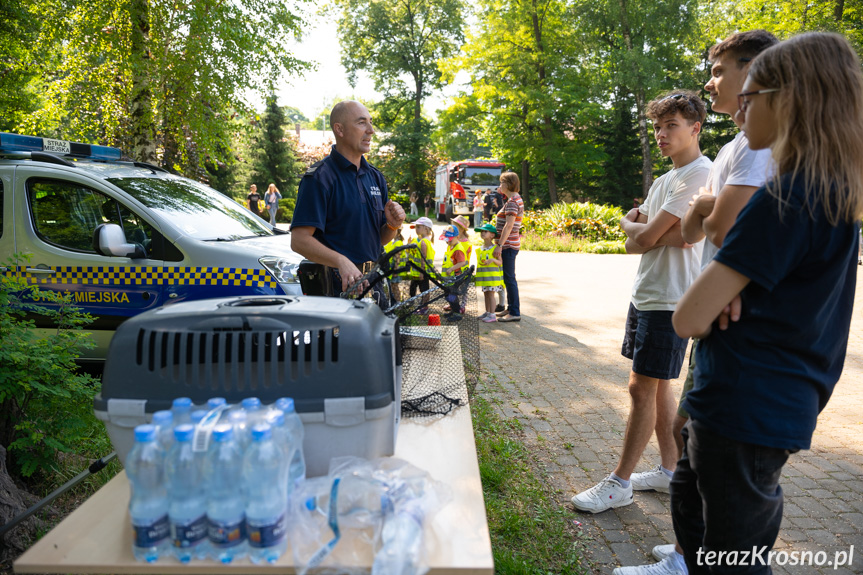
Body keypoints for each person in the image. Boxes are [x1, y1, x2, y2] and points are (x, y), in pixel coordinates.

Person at [671, 32, 863, 575]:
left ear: (788, 100)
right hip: (778, 396)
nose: (741, 108)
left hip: (743, 401)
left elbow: (688, 317)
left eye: (750, 96)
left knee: (733, 555)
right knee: (698, 499)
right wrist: (726, 294)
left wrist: (713, 301)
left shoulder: (783, 199)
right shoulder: (832, 193)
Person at [614, 30, 777, 575]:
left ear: (757, 73)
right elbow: (685, 226)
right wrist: (698, 216)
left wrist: (706, 215)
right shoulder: (737, 148)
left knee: (732, 482)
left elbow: (708, 229)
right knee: (689, 446)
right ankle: (687, 554)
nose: (711, 81)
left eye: (720, 69)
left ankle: (694, 558)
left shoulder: (760, 151)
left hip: (731, 330)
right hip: (708, 320)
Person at [570, 91, 711, 514]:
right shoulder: (666, 179)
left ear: (695, 128)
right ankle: (670, 471)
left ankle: (621, 482)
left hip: (671, 299)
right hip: (648, 294)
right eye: (657, 127)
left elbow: (647, 236)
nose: (662, 134)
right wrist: (636, 229)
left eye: (671, 125)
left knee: (640, 386)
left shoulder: (698, 174)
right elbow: (639, 244)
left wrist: (633, 226)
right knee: (658, 384)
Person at [291, 100, 406, 298]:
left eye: (371, 122)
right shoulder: (320, 177)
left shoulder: (375, 177)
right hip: (336, 289)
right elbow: (299, 240)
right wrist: (341, 261)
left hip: (373, 284)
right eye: (362, 123)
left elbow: (379, 240)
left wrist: (392, 226)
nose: (371, 130)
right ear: (340, 129)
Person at [493, 172, 524, 323]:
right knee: (508, 277)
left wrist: (500, 245)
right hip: (510, 244)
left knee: (510, 278)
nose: (499, 185)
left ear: (507, 184)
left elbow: (509, 225)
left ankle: (515, 312)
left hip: (508, 245)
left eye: (501, 182)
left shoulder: (513, 202)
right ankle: (511, 308)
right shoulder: (513, 199)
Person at [474, 222, 503, 323]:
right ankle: (487, 312)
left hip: (492, 278)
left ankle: (492, 314)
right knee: (486, 294)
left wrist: (493, 260)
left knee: (491, 295)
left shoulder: (495, 248)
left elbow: (500, 262)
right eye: (481, 231)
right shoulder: (481, 249)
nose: (482, 233)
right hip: (484, 277)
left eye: (485, 231)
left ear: (492, 235)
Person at [407, 216, 436, 314]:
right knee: (418, 288)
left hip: (422, 272)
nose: (416, 229)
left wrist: (421, 272)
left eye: (418, 227)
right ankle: (422, 305)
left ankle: (424, 307)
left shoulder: (424, 242)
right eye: (416, 227)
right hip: (419, 271)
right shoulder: (424, 240)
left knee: (424, 289)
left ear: (426, 228)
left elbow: (423, 259)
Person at [440, 224, 469, 321]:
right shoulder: (451, 246)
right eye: (446, 240)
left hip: (455, 277)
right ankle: (453, 310)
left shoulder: (458, 249)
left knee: (452, 295)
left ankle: (457, 313)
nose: (447, 242)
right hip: (449, 278)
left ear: (457, 237)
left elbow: (462, 262)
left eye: (450, 239)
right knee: (448, 295)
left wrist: (452, 268)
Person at [383, 226, 406, 302]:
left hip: (396, 269)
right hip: (393, 269)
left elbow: (397, 257)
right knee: (393, 286)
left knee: (395, 286)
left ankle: (398, 303)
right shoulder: (394, 242)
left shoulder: (398, 243)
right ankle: (396, 302)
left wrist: (395, 270)